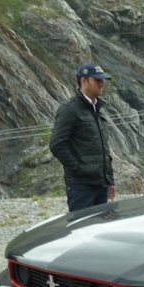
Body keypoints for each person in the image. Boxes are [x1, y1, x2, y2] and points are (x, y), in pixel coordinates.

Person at [49, 63, 116, 211]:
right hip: (81, 187)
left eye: (102, 80)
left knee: (99, 229)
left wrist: (109, 179)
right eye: (97, 80)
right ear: (84, 81)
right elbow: (56, 144)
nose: (101, 83)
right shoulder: (69, 110)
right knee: (81, 231)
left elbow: (103, 148)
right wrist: (79, 169)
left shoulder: (98, 110)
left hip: (101, 184)